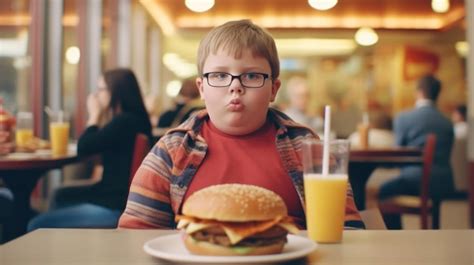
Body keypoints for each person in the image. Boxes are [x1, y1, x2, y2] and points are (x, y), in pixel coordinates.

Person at [118, 19, 363, 230]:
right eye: (220, 75)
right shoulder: (171, 150)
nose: (236, 86)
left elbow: (345, 229)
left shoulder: (306, 148)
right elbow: (137, 233)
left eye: (252, 76)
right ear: (202, 88)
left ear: (273, 90)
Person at [28, 68, 152, 230]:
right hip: (117, 197)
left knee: (36, 224)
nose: (97, 95)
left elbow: (84, 147)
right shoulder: (137, 120)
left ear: (115, 91)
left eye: (101, 89)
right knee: (60, 195)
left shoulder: (124, 122)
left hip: (113, 205)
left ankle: (52, 235)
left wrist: (94, 115)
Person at [378, 74, 455, 229]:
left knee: (383, 191)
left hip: (415, 181)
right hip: (444, 182)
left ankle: (396, 234)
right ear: (437, 94)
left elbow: (396, 155)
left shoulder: (404, 118)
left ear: (418, 92)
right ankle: (434, 229)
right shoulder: (448, 123)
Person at [450, 104, 468, 192]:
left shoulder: (453, 132)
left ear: (459, 115)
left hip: (453, 176)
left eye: (454, 113)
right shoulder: (470, 131)